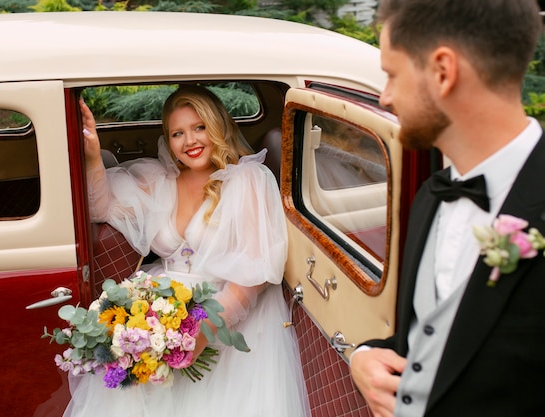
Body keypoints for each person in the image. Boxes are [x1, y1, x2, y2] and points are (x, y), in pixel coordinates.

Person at [64, 85, 311, 417]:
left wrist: (203, 331)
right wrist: (92, 153)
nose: (190, 141)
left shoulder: (247, 179)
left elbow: (253, 274)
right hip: (162, 305)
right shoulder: (160, 180)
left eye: (199, 127)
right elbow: (100, 206)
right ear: (168, 139)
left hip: (227, 312)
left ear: (218, 126)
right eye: (178, 133)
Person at [350, 1, 545, 417]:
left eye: (391, 75)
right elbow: (432, 340)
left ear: (443, 71)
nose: (385, 98)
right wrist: (365, 355)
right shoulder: (430, 196)